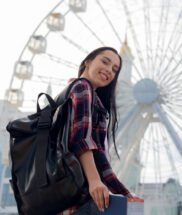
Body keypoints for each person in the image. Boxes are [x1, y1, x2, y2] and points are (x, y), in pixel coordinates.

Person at [59, 47, 140, 215]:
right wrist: (95, 182)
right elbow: (82, 141)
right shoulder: (82, 87)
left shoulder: (74, 92)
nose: (109, 70)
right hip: (80, 198)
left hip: (62, 197)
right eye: (105, 62)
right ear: (87, 62)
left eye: (114, 70)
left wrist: (124, 193)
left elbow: (100, 158)